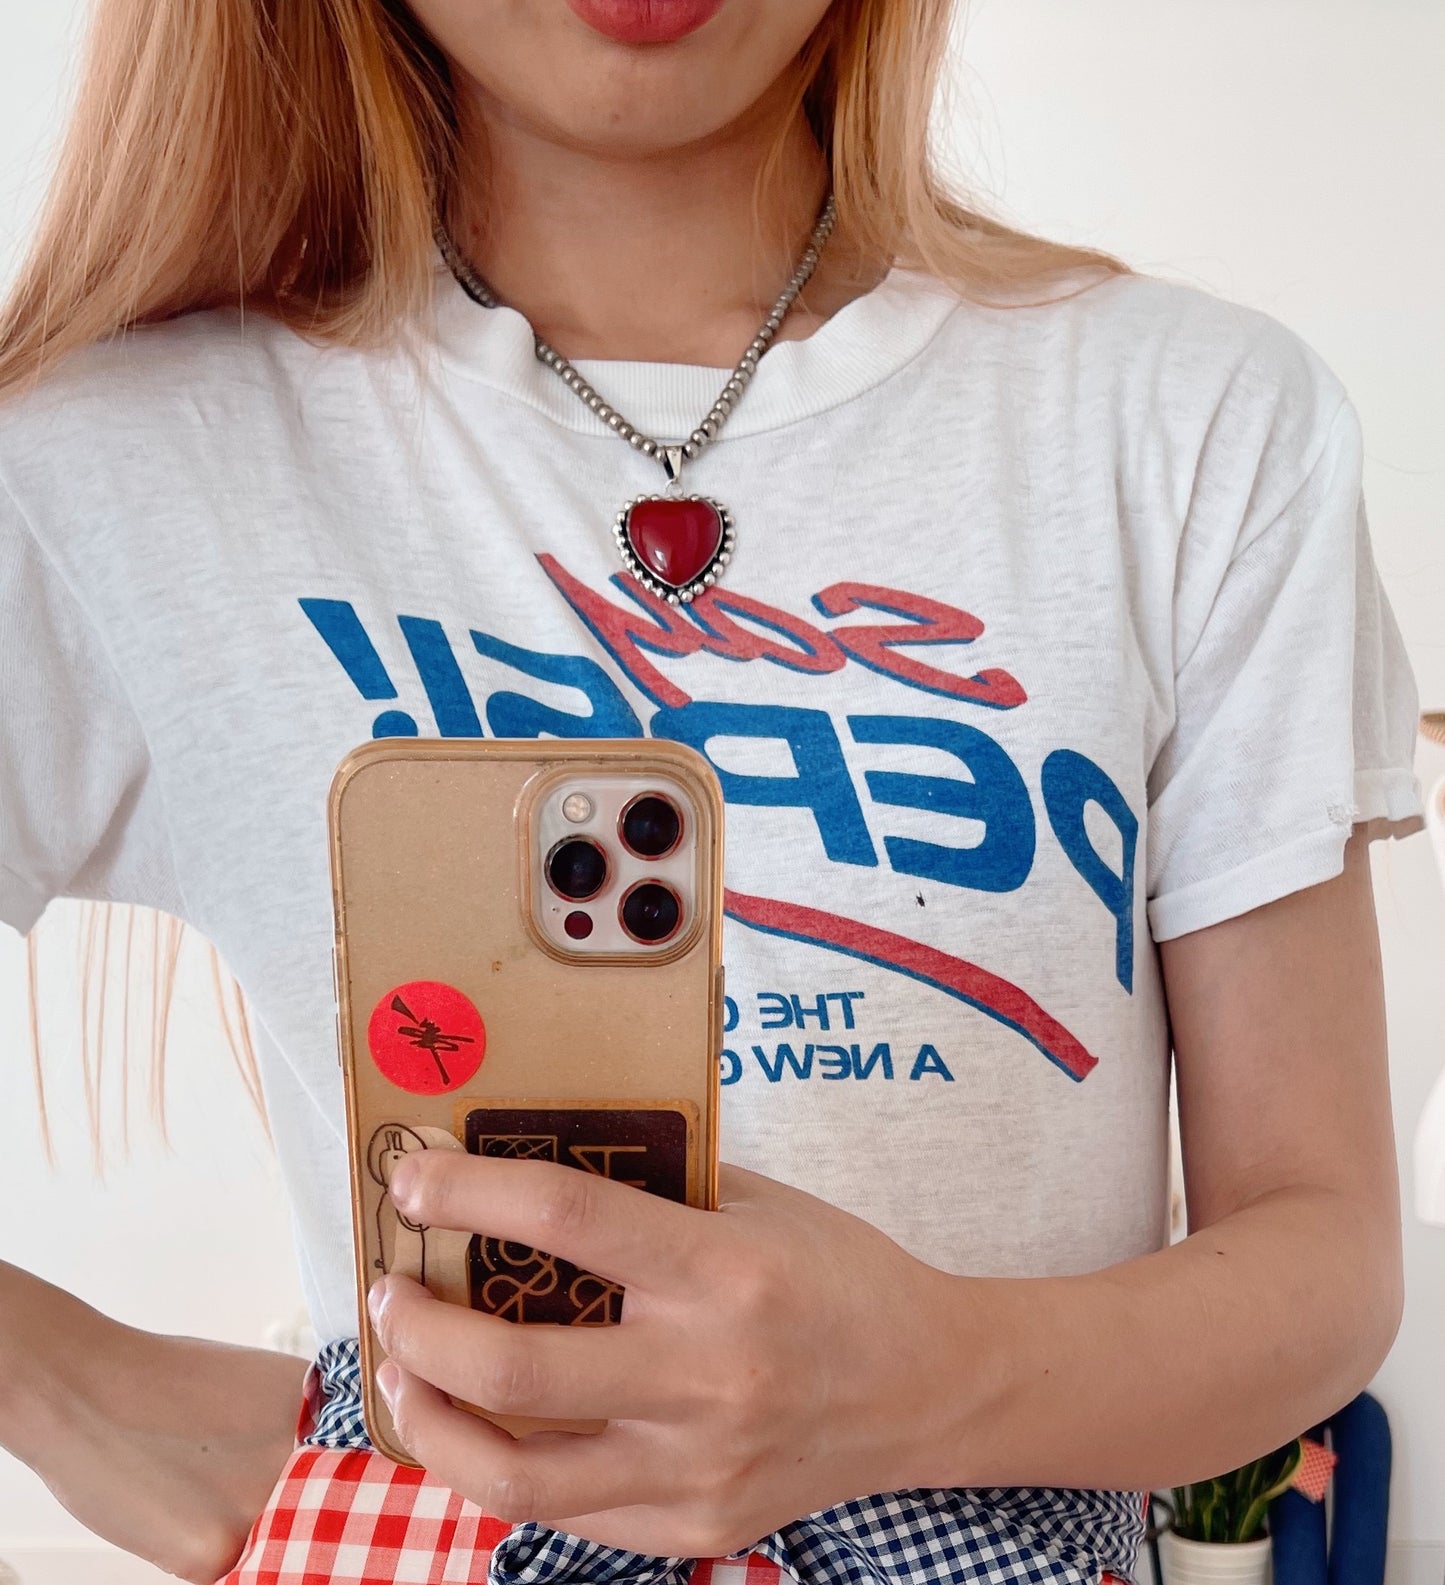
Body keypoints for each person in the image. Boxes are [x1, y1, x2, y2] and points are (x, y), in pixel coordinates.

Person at [0, 1, 1422, 1582]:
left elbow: (1319, 1245)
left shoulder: (1190, 423)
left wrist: (923, 1376)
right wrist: (66, 1380)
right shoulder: (113, 463)